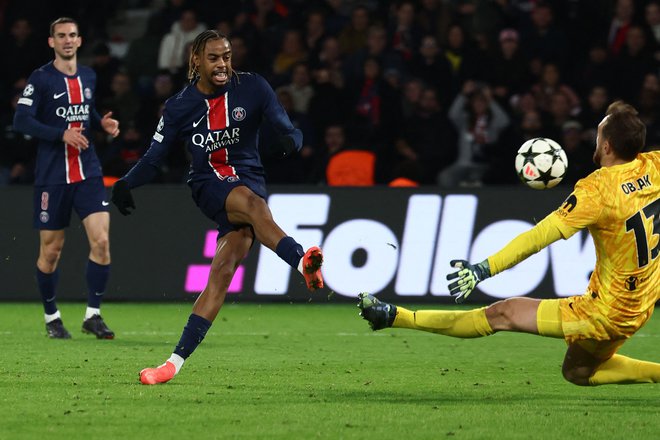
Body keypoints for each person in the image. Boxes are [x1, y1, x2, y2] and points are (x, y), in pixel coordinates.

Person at [359, 101, 660, 386]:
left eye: (599, 134)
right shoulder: (654, 166)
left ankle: (395, 317)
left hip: (605, 312)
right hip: (642, 303)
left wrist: (482, 270)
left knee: (502, 314)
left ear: (606, 146)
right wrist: (621, 118)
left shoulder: (597, 191)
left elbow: (537, 237)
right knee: (577, 372)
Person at [110, 30, 324, 385]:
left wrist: (290, 142)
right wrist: (125, 183)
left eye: (226, 56)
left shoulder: (253, 87)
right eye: (214, 58)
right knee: (252, 206)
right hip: (208, 183)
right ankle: (301, 261)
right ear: (196, 60)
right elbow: (154, 158)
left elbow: (291, 130)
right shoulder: (179, 106)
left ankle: (171, 364)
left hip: (250, 178)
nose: (223, 64)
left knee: (222, 273)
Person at [12, 17, 120, 339]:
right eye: (61, 36)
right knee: (51, 251)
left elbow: (86, 109)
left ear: (80, 40)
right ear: (51, 42)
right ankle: (51, 317)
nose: (67, 40)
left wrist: (102, 124)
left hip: (88, 171)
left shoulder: (89, 75)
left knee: (101, 240)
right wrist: (62, 135)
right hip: (53, 176)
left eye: (72, 35)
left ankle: (93, 315)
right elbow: (22, 120)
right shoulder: (41, 78)